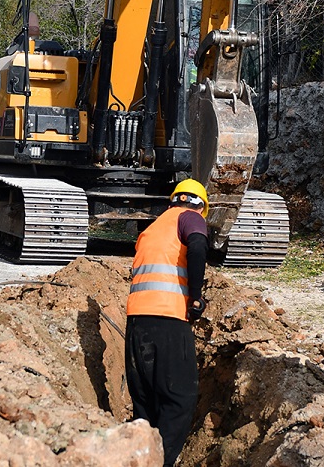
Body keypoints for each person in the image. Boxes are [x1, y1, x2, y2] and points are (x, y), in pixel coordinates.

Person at [126, 179, 209, 467]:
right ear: (199, 205)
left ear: (173, 199)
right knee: (179, 400)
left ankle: (139, 459)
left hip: (136, 323)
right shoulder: (189, 218)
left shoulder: (153, 228)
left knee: (145, 403)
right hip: (169, 321)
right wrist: (196, 297)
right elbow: (197, 246)